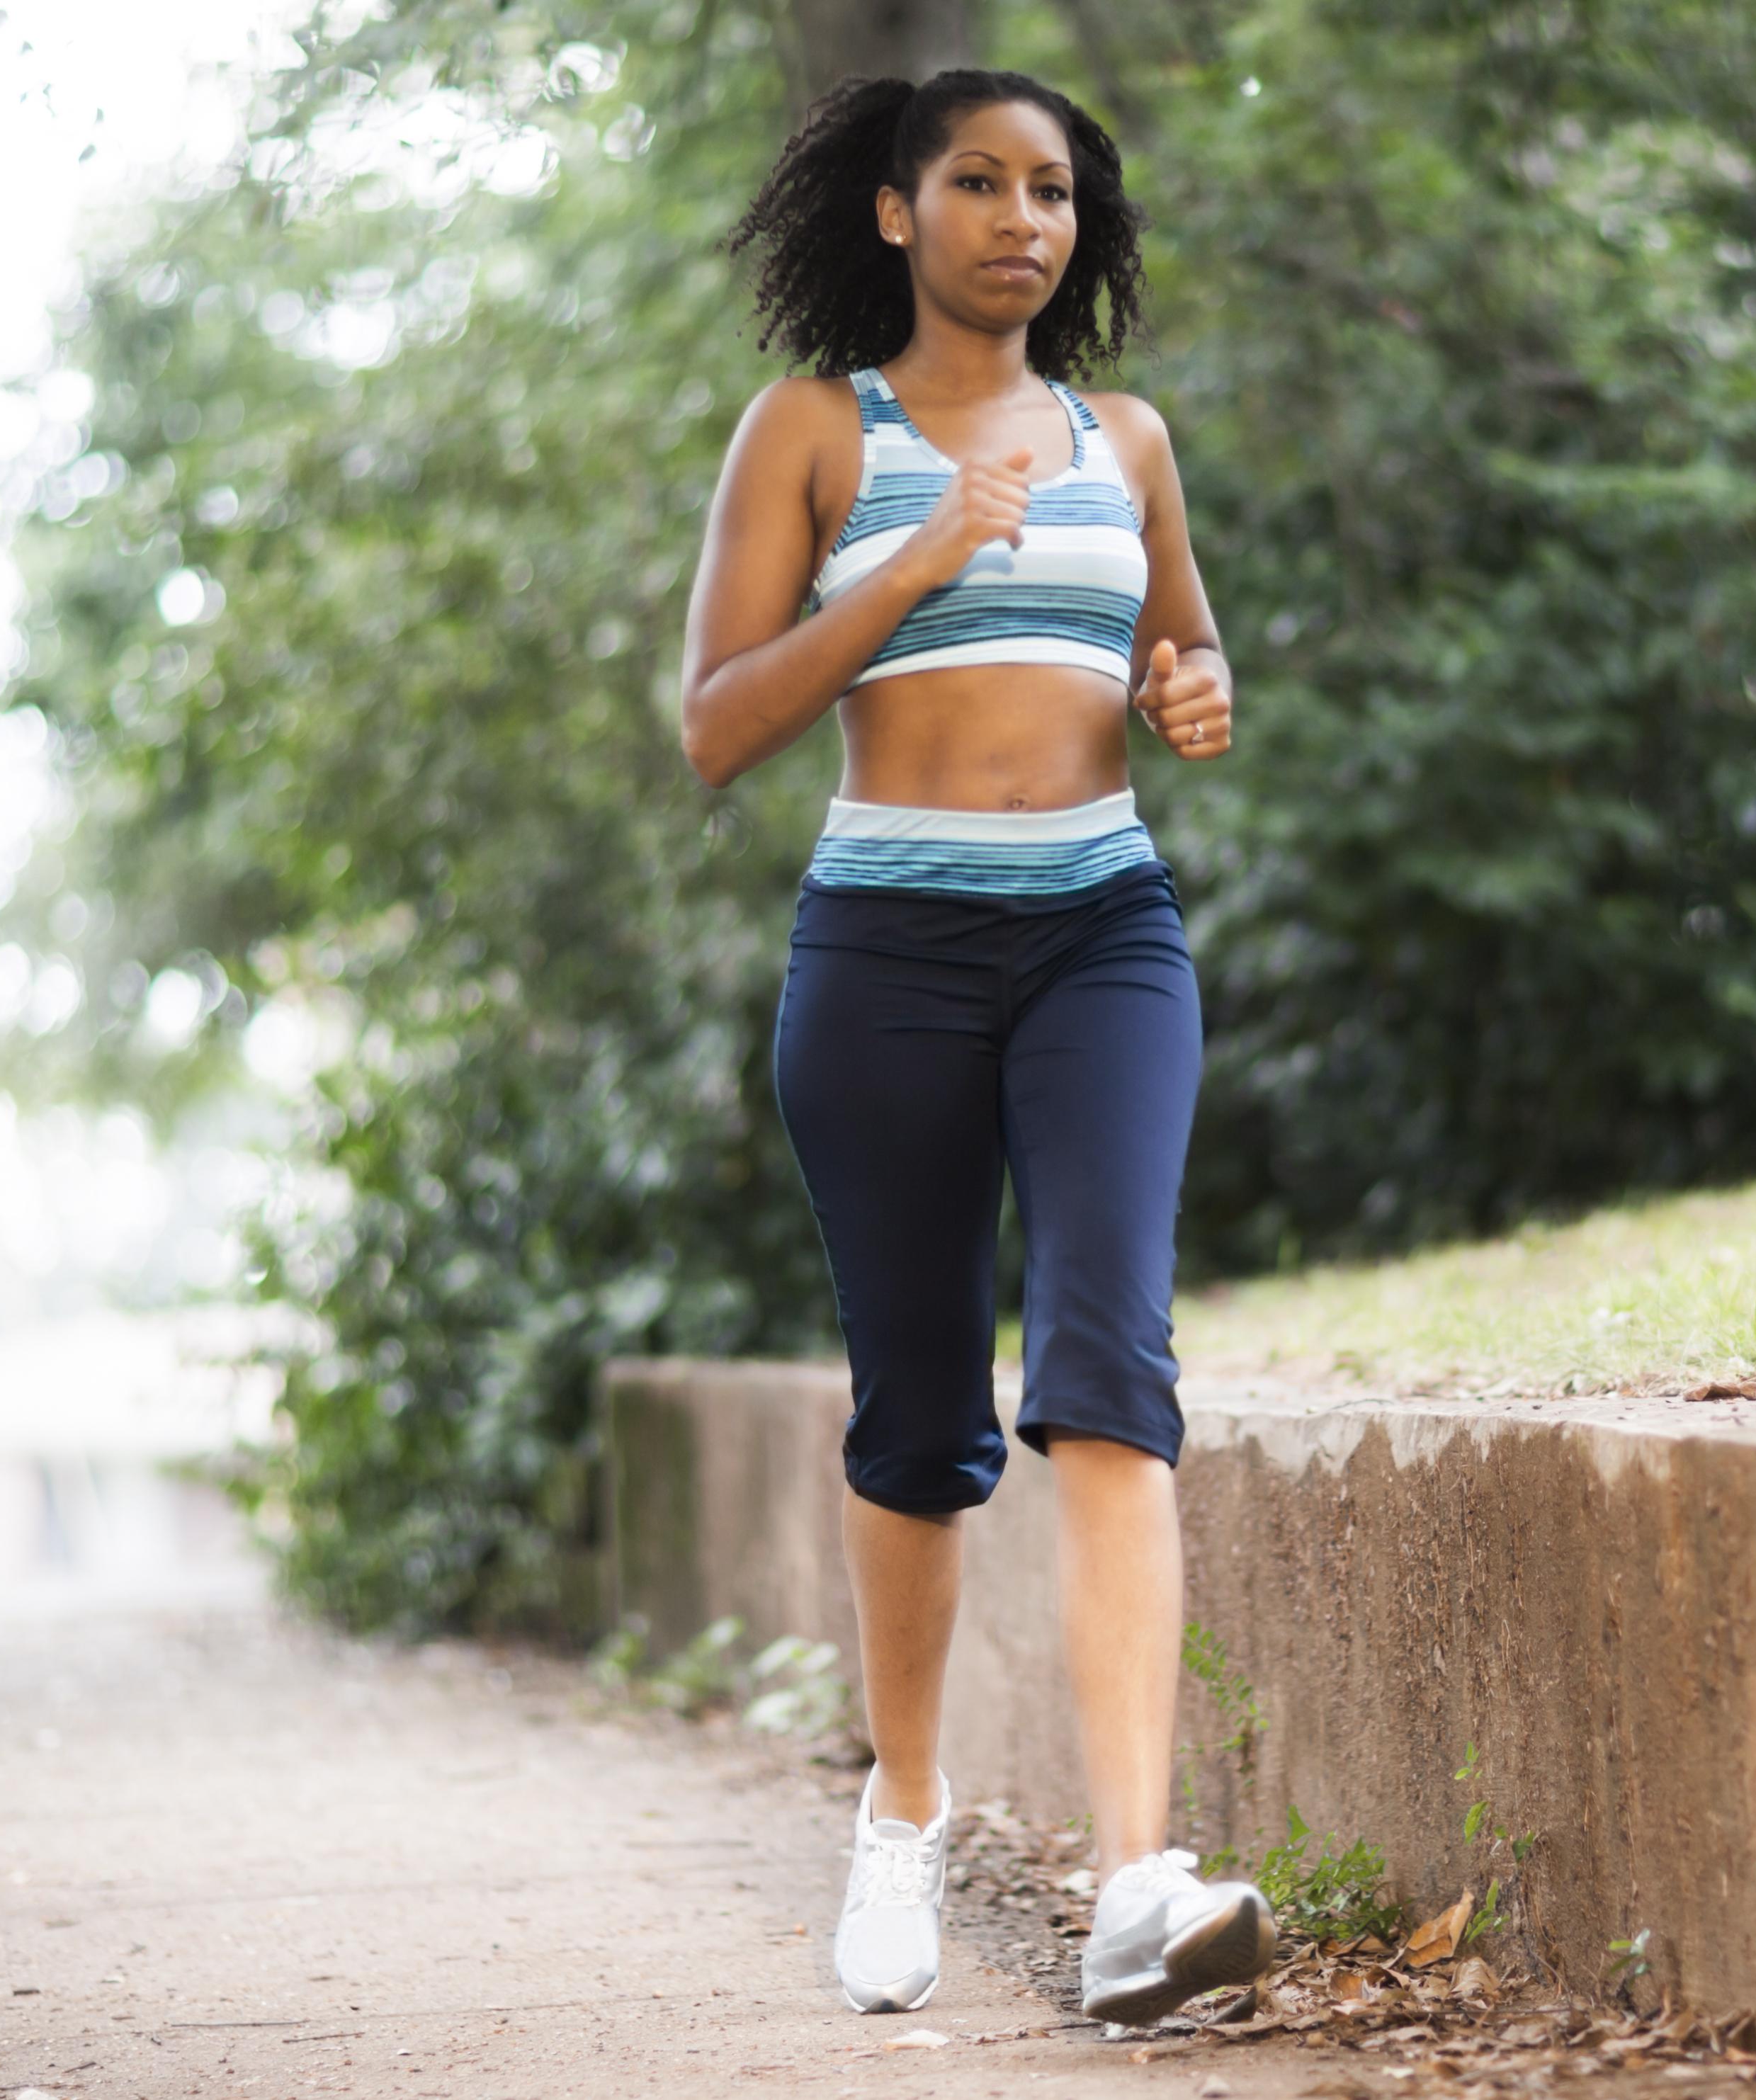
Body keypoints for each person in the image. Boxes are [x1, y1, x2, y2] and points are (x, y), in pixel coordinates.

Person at [680, 67, 1270, 2027]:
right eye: (980, 183)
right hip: (887, 954)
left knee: (1108, 1361)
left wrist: (1194, 696)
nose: (1026, 219)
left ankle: (1131, 1886)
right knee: (920, 1412)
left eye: (1055, 192)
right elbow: (716, 726)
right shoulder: (810, 434)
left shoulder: (1128, 438)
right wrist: (923, 560)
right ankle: (904, 1815)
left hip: (1102, 928)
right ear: (894, 212)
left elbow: (1177, 653)